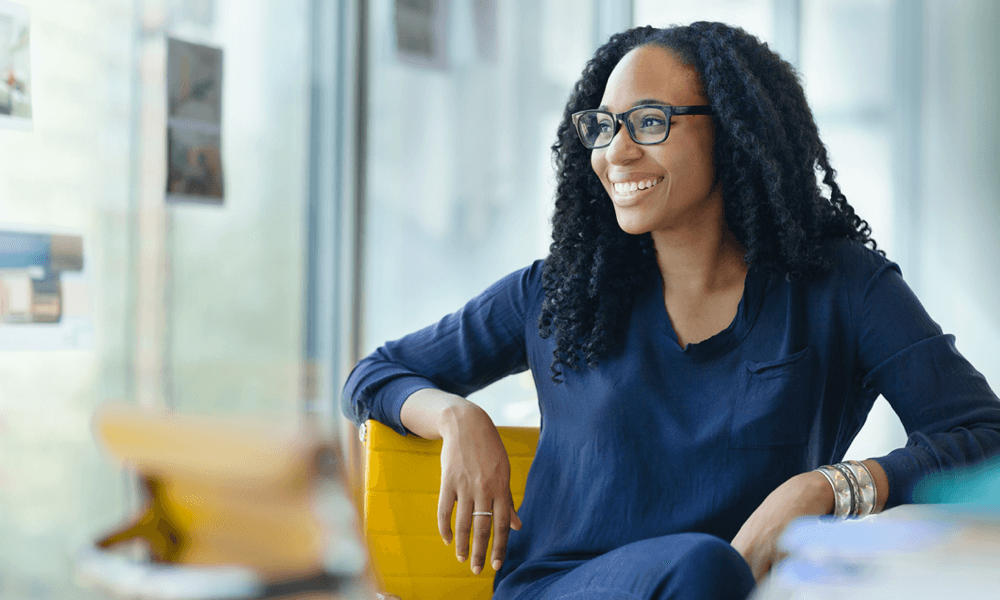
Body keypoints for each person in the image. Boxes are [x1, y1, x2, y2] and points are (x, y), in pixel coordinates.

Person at [343, 22, 1000, 600]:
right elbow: (375, 374)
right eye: (601, 127)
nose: (616, 152)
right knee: (703, 566)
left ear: (736, 134)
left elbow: (981, 437)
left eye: (650, 122)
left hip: (742, 588)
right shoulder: (559, 292)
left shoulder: (843, 288)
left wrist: (824, 488)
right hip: (562, 588)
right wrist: (457, 416)